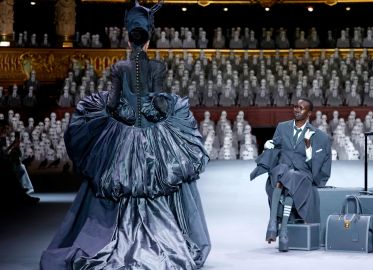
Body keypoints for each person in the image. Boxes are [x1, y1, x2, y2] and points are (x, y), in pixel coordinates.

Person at [40, 1, 211, 269]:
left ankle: (109, 236)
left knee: (118, 181)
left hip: (121, 134)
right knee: (158, 181)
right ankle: (162, 240)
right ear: (148, 42)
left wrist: (117, 119)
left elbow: (112, 103)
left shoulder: (120, 67)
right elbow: (157, 101)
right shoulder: (157, 67)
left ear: (128, 40)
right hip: (153, 133)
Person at [250, 98, 332, 252]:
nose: (297, 110)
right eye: (295, 107)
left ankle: (277, 226)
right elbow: (275, 148)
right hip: (282, 170)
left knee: (290, 178)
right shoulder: (282, 127)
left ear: (309, 113)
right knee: (284, 172)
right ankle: (279, 227)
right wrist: (269, 145)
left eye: (301, 108)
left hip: (303, 174)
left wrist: (308, 148)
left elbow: (318, 165)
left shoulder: (318, 136)